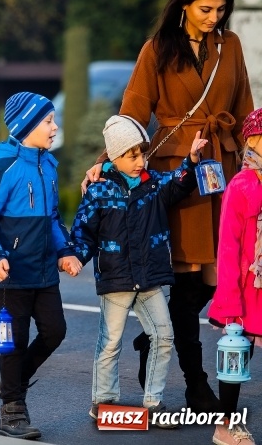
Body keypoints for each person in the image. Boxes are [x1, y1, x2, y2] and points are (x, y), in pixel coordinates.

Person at [82, 0, 253, 413]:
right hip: (176, 173)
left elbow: (245, 108)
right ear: (184, 5)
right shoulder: (157, 49)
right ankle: (195, 383)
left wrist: (251, 166)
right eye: (205, 8)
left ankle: (149, 337)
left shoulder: (230, 45)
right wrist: (105, 163)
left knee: (217, 279)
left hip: (223, 170)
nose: (214, 17)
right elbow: (133, 113)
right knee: (181, 275)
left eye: (220, 9)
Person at [73, 115, 206, 427]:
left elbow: (179, 184)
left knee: (164, 335)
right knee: (110, 342)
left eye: (142, 154)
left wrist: (192, 160)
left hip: (149, 281)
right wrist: (74, 256)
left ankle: (154, 403)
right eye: (131, 155)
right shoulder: (99, 190)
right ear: (115, 157)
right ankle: (103, 400)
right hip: (116, 280)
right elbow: (82, 231)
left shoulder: (154, 185)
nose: (139, 161)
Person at [0, 92, 81, 439]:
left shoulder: (48, 164)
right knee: (14, 341)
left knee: (54, 331)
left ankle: (10, 384)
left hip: (44, 269)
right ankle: (12, 411)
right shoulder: (5, 166)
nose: (54, 127)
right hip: (11, 271)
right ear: (26, 125)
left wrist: (65, 250)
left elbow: (52, 218)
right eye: (47, 121)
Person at [207, 107, 262, 445]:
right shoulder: (241, 186)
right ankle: (224, 427)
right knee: (237, 355)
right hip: (246, 290)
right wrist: (229, 304)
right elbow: (227, 248)